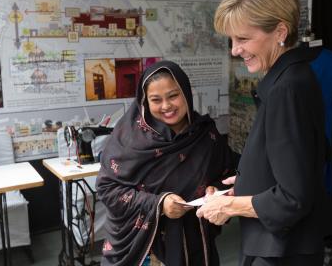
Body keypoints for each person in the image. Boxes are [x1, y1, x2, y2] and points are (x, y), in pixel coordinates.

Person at [196, 0, 332, 266]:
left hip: (282, 250)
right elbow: (314, 152)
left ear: (280, 32)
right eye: (232, 40)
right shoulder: (297, 75)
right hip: (282, 244)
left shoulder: (286, 87)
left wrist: (230, 205)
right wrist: (252, 178)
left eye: (243, 38)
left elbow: (293, 198)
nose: (235, 50)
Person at [96, 60, 239, 266]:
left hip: (195, 244)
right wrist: (159, 204)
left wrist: (213, 189)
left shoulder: (205, 134)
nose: (166, 106)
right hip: (143, 247)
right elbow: (107, 189)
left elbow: (227, 173)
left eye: (173, 95)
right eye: (156, 99)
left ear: (186, 93)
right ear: (145, 101)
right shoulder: (128, 140)